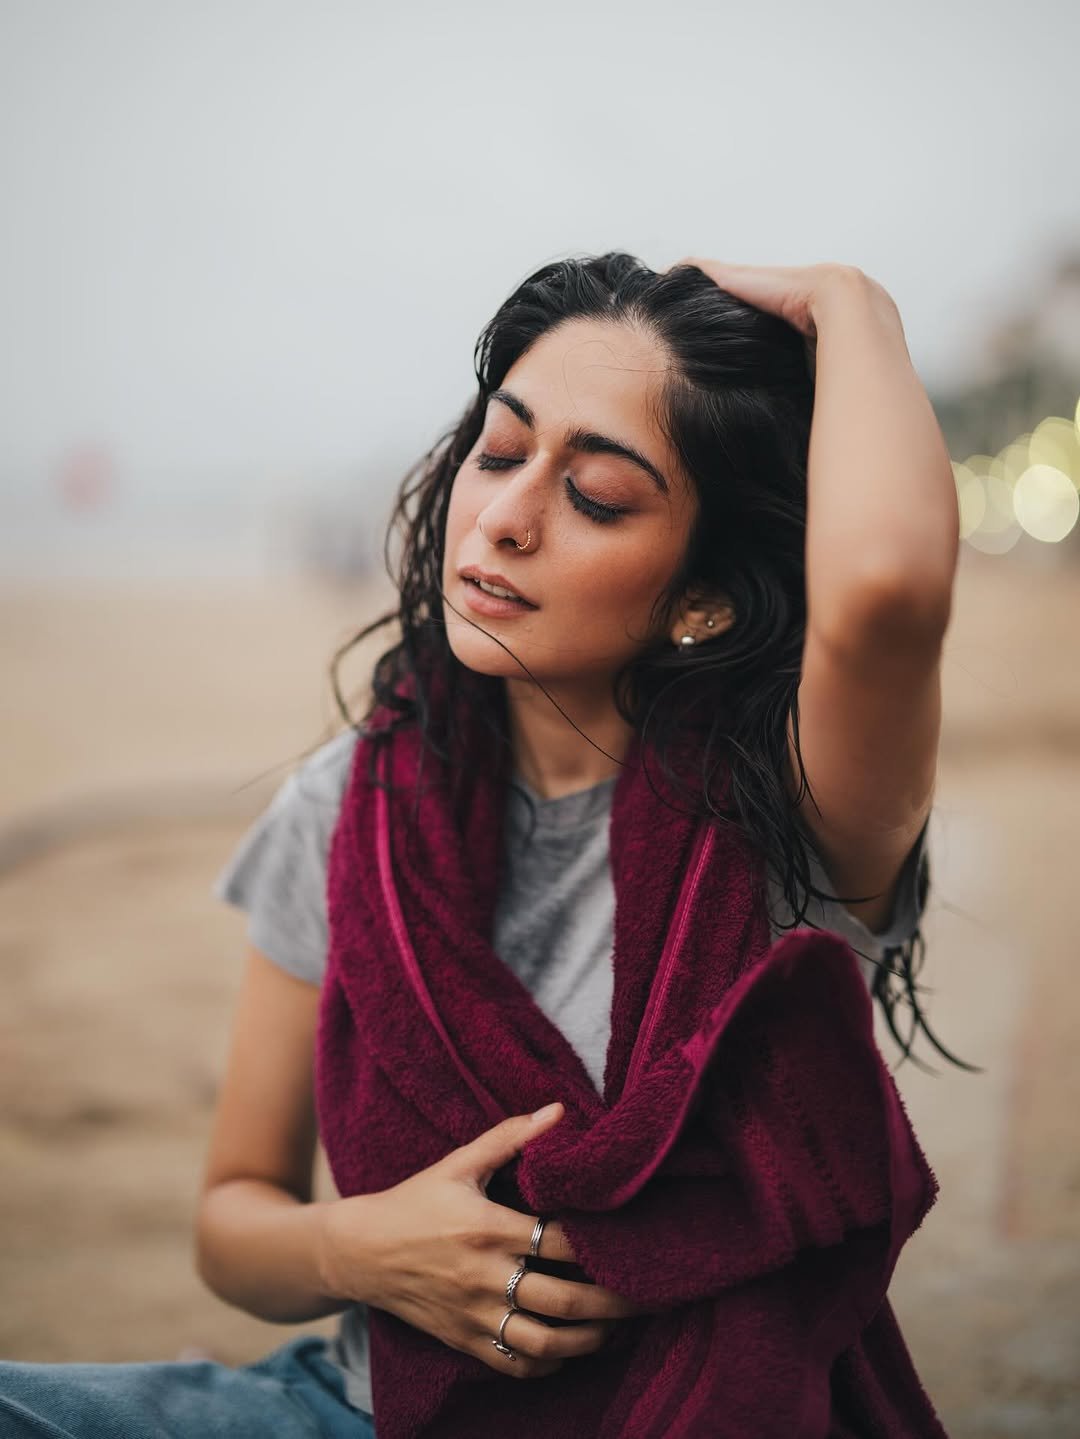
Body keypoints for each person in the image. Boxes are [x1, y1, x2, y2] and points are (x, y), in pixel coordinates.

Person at [0, 252, 968, 1437]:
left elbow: (886, 591)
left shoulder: (797, 811)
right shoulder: (347, 807)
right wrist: (363, 1247)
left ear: (701, 595)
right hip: (359, 1406)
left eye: (596, 495)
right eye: (501, 452)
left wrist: (851, 302)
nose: (505, 518)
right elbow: (233, 1224)